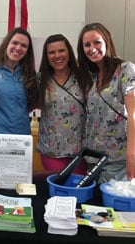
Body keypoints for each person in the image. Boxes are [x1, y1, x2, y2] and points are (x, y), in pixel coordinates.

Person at [77, 22, 135, 182]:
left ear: (107, 42)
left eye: (97, 42)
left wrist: (132, 155)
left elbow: (133, 114)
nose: (92, 48)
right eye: (87, 45)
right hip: (93, 158)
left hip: (118, 159)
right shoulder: (91, 76)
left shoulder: (125, 70)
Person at [0, 27, 38, 160]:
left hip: (21, 142)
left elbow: (31, 103)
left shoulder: (29, 76)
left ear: (27, 50)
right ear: (6, 44)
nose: (18, 48)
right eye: (14, 43)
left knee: (20, 181)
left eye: (24, 45)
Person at [36, 34, 87, 174]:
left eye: (61, 50)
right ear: (46, 56)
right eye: (52, 52)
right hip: (52, 151)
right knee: (58, 191)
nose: (57, 55)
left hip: (81, 153)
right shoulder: (40, 80)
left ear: (69, 53)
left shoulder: (84, 77)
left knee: (78, 191)